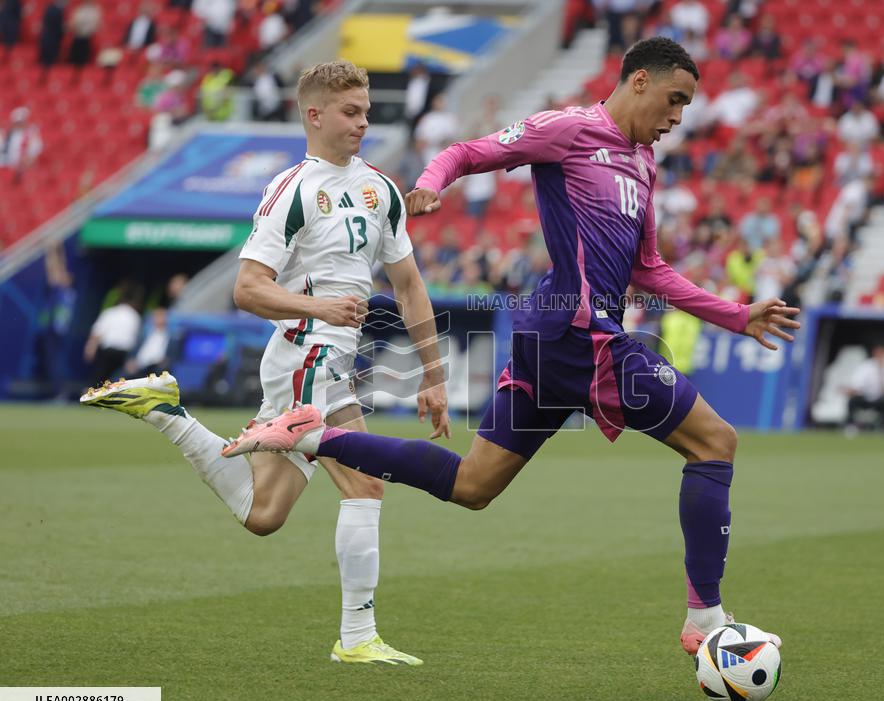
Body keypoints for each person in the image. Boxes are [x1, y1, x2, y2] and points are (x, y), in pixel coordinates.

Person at [223, 38, 798, 657]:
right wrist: (429, 184)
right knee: (716, 441)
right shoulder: (570, 129)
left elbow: (650, 269)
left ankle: (308, 435)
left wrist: (736, 316)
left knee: (473, 485)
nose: (678, 116)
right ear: (638, 81)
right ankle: (706, 620)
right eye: (673, 98)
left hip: (551, 342)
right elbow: (470, 151)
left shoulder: (643, 164)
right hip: (583, 336)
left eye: (686, 105)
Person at [81, 61, 443, 667]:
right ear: (314, 114)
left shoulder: (380, 187)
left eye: (366, 111)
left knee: (264, 514)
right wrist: (321, 305)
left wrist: (434, 375)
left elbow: (410, 285)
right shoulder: (291, 191)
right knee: (364, 482)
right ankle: (357, 639)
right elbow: (248, 290)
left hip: (329, 361)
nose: (363, 122)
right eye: (351, 112)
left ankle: (168, 412)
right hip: (309, 354)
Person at [83, 282, 144, 386]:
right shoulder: (135, 316)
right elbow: (137, 339)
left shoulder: (110, 312)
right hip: (124, 355)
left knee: (98, 380)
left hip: (108, 352)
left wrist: (90, 348)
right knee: (119, 383)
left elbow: (97, 333)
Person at [843, 345, 884, 431]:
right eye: (878, 353)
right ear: (874, 353)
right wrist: (850, 390)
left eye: (882, 353)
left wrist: (882, 373)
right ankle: (850, 425)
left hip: (881, 399)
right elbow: (857, 385)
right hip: (866, 397)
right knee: (852, 400)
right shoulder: (866, 366)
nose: (880, 355)